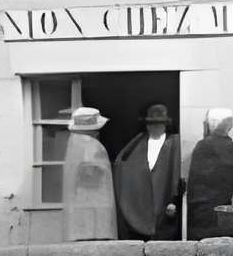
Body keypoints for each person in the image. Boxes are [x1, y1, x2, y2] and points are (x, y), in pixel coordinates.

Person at [112, 102, 183, 240]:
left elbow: (176, 173)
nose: (154, 126)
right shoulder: (137, 144)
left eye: (159, 123)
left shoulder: (174, 143)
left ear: (165, 125)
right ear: (147, 125)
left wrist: (174, 199)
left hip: (165, 206)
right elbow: (122, 166)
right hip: (142, 206)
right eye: (151, 123)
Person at [185, 110, 233, 241]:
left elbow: (195, 186)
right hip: (229, 216)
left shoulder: (203, 147)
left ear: (210, 125)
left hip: (203, 218)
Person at [61, 106, 118, 240]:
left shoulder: (74, 143)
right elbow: (89, 172)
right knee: (94, 231)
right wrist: (103, 169)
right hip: (93, 198)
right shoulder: (90, 144)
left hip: (81, 198)